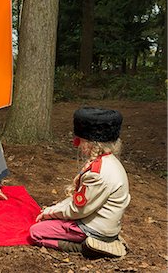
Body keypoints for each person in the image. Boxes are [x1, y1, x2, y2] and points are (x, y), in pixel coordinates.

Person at [29, 107, 130, 257]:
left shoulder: (98, 173)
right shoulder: (109, 162)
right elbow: (80, 198)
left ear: (91, 143)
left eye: (81, 140)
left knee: (35, 232)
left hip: (95, 228)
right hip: (105, 224)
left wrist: (49, 214)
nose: (78, 144)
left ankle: (87, 247)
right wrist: (53, 209)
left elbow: (79, 210)